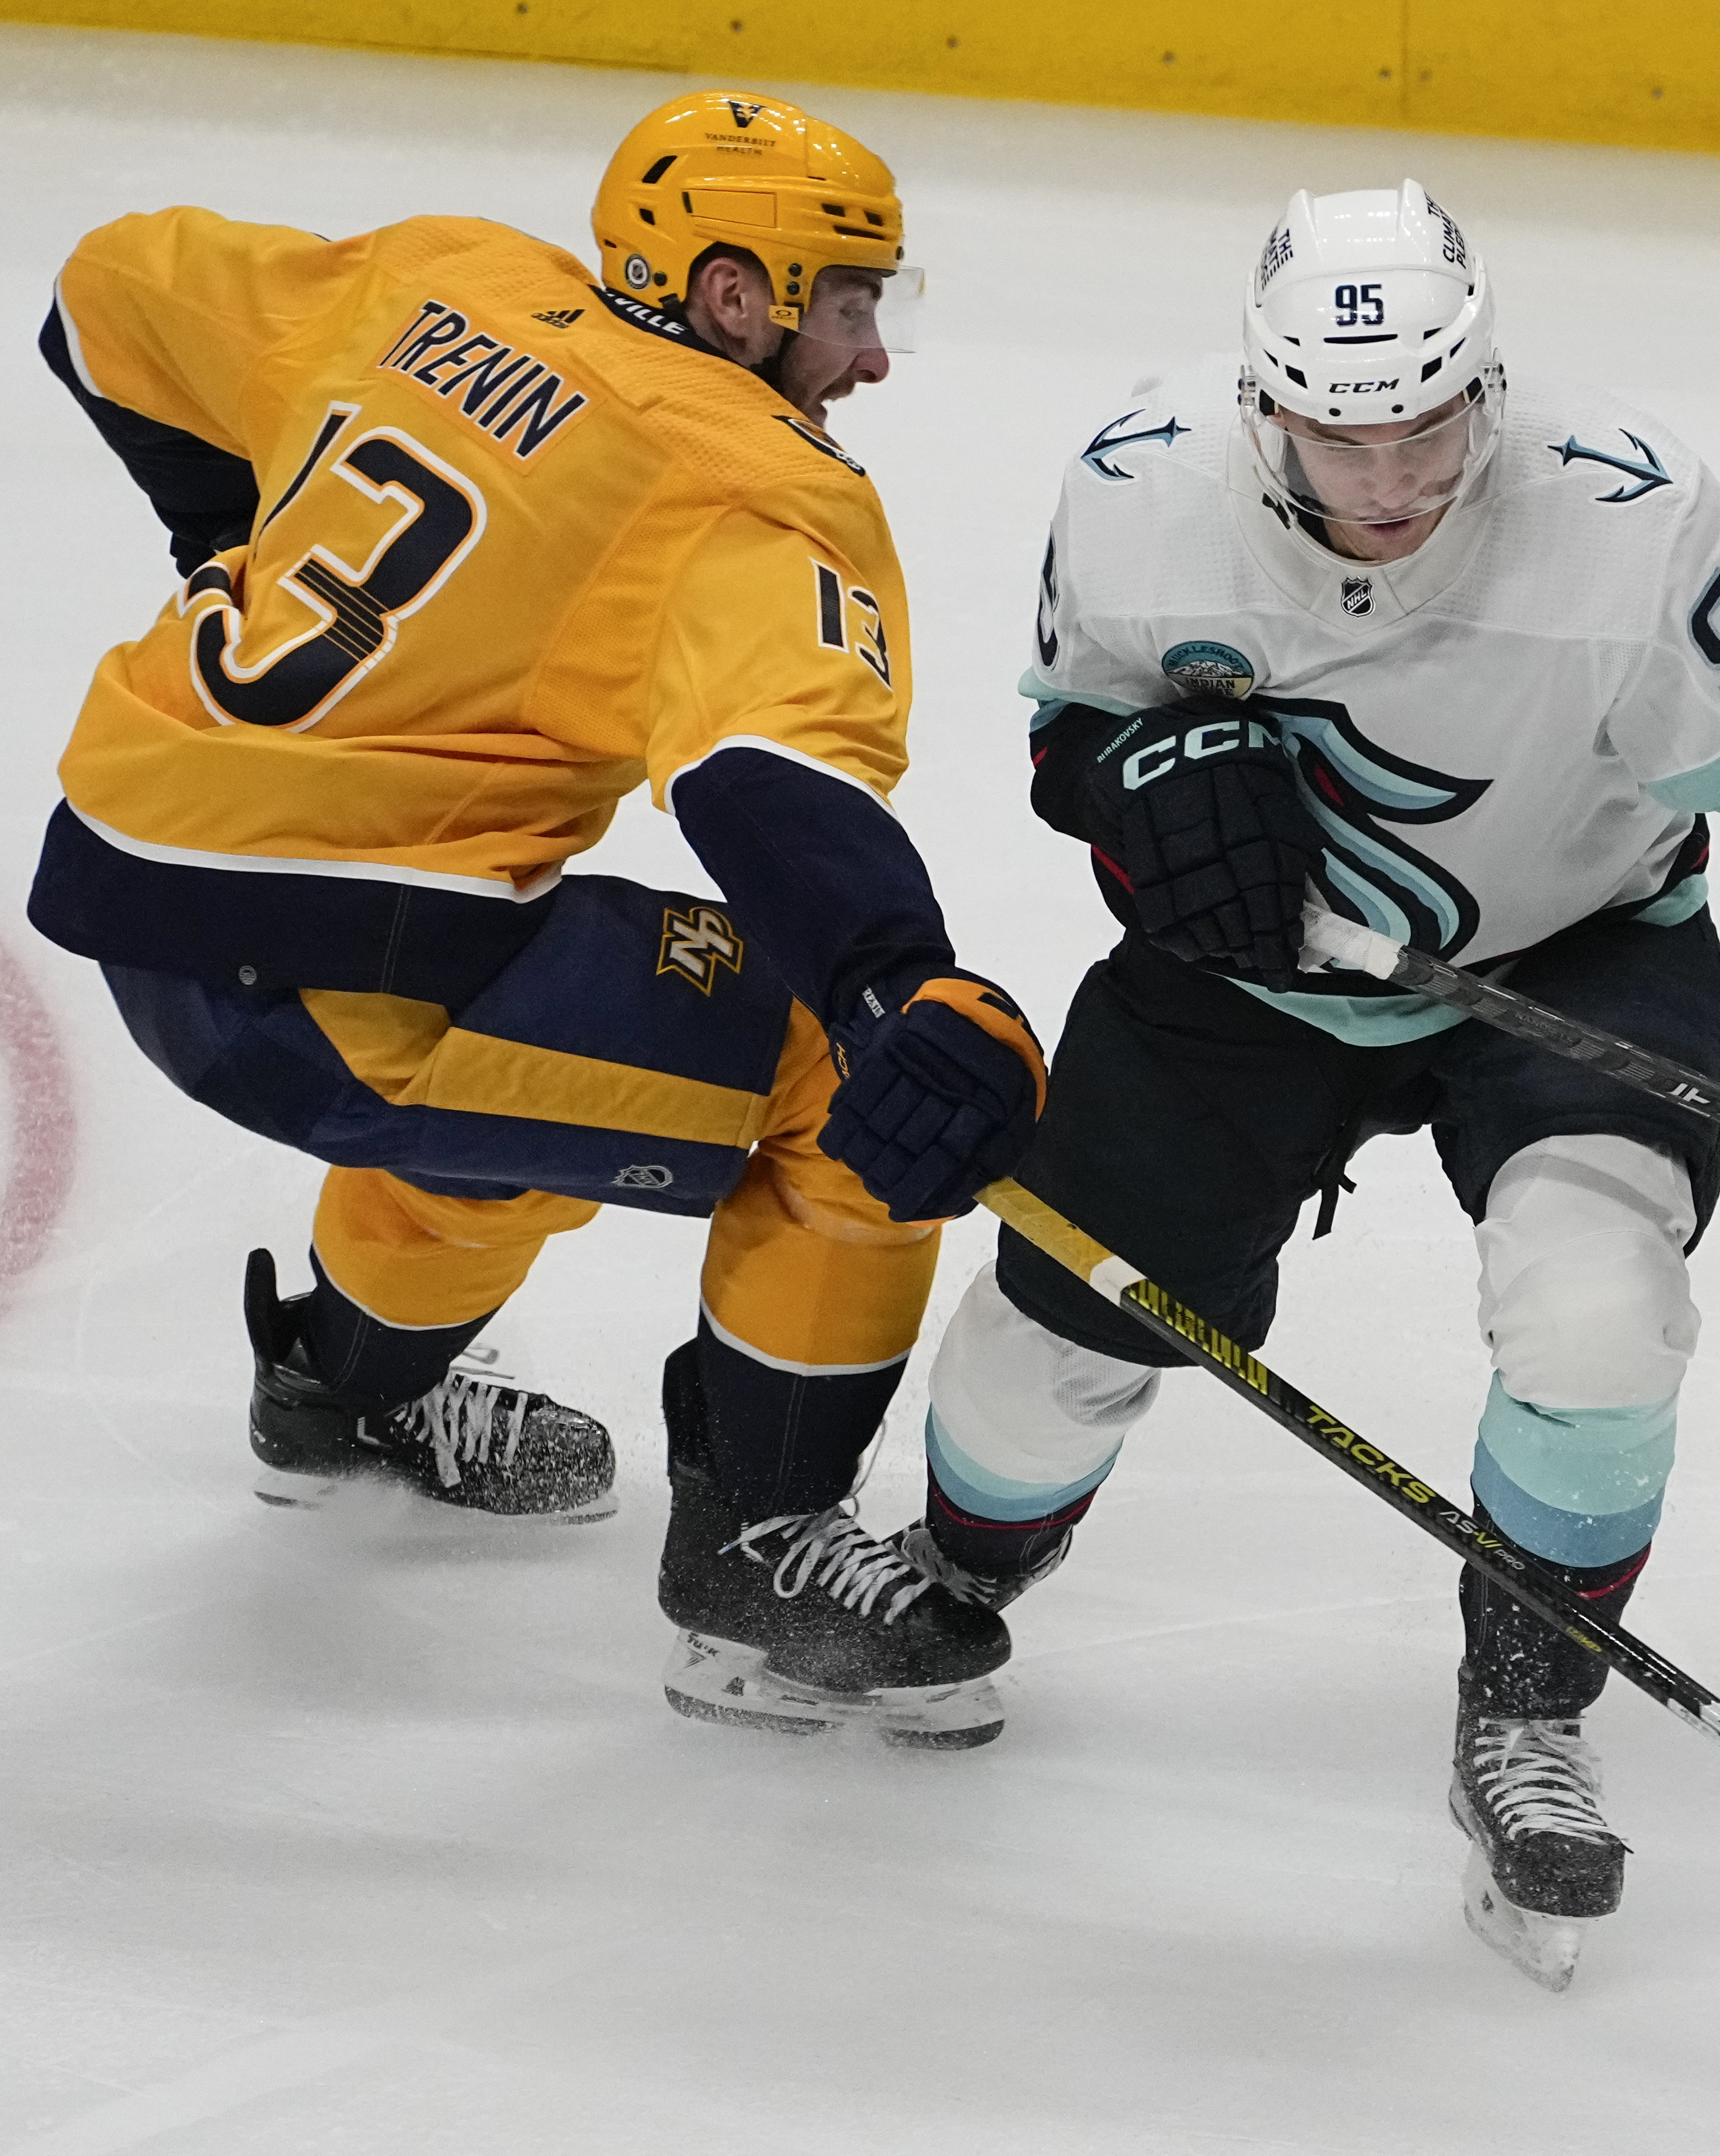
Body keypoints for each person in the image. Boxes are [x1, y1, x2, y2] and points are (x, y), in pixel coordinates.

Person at [911, 183, 1720, 1977]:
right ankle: (956, 1577)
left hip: (1582, 947)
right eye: (1341, 434)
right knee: (1057, 1341)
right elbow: (1067, 727)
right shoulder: (1137, 482)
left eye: (1430, 426)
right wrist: (1134, 785)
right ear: (1265, 405)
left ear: (1489, 383)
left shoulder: (1633, 521)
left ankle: (1531, 1703)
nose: (1391, 480)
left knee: (1599, 1313)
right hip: (1245, 986)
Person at [31, 89, 1049, 1749]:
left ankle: (343, 1390)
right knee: (824, 1083)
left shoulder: (447, 279)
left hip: (142, 869)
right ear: (736, 296)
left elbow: (104, 298)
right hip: (347, 966)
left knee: (551, 1049)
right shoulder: (750, 483)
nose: (874, 356)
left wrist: (223, 541)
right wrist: (892, 989)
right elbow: (765, 774)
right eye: (853, 303)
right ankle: (762, 1567)